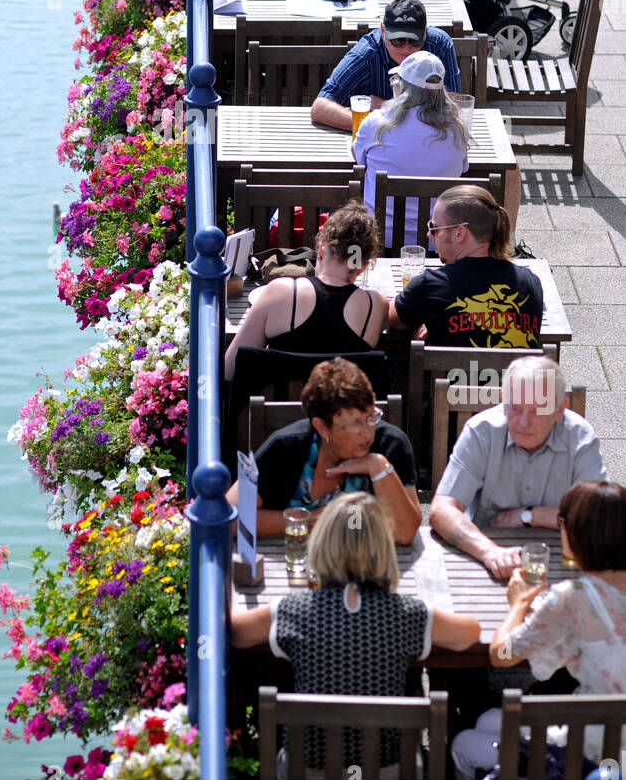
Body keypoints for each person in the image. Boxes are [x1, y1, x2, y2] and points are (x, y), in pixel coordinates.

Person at [231, 491, 480, 777]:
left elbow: (234, 633)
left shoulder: (293, 611)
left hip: (308, 771)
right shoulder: (408, 614)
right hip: (390, 772)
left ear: (321, 543)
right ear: (384, 548)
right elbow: (469, 634)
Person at [452, 481, 626, 779]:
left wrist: (518, 603)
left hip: (587, 757)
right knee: (489, 719)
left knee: (463, 743)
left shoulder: (573, 597)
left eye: (562, 522)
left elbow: (501, 654)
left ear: (574, 534)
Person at [429, 357, 609, 580]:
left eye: (536, 410)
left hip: (564, 562)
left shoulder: (580, 438)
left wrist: (530, 515)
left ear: (560, 409)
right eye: (515, 408)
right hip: (486, 558)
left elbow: (599, 518)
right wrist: (490, 552)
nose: (524, 422)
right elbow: (441, 510)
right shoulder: (481, 431)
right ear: (503, 401)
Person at [226, 358, 421, 542]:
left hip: (370, 567)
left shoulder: (391, 445)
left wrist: (378, 467)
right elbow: (229, 517)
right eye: (354, 424)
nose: (367, 432)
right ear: (321, 427)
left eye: (371, 417)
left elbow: (406, 532)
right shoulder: (287, 448)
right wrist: (309, 520)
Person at [225, 202, 388, 381]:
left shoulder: (280, 292)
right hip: (341, 408)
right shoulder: (376, 305)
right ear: (363, 266)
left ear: (320, 250)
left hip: (279, 408)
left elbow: (230, 368)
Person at [389, 184, 544, 349]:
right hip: (511, 375)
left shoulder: (430, 285)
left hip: (451, 376)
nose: (429, 234)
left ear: (459, 233)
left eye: (434, 227)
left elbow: (387, 318)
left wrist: (432, 319)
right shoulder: (531, 284)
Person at [353, 51, 468, 248]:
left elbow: (358, 161)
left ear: (403, 88)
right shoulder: (458, 130)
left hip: (379, 240)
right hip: (439, 243)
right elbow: (463, 168)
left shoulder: (374, 124)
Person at [311, 0, 461, 130]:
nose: (406, 47)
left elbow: (454, 106)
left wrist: (387, 108)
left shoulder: (439, 44)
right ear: (382, 31)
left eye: (415, 40)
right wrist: (381, 123)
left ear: (425, 33)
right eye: (398, 40)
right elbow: (320, 107)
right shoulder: (366, 55)